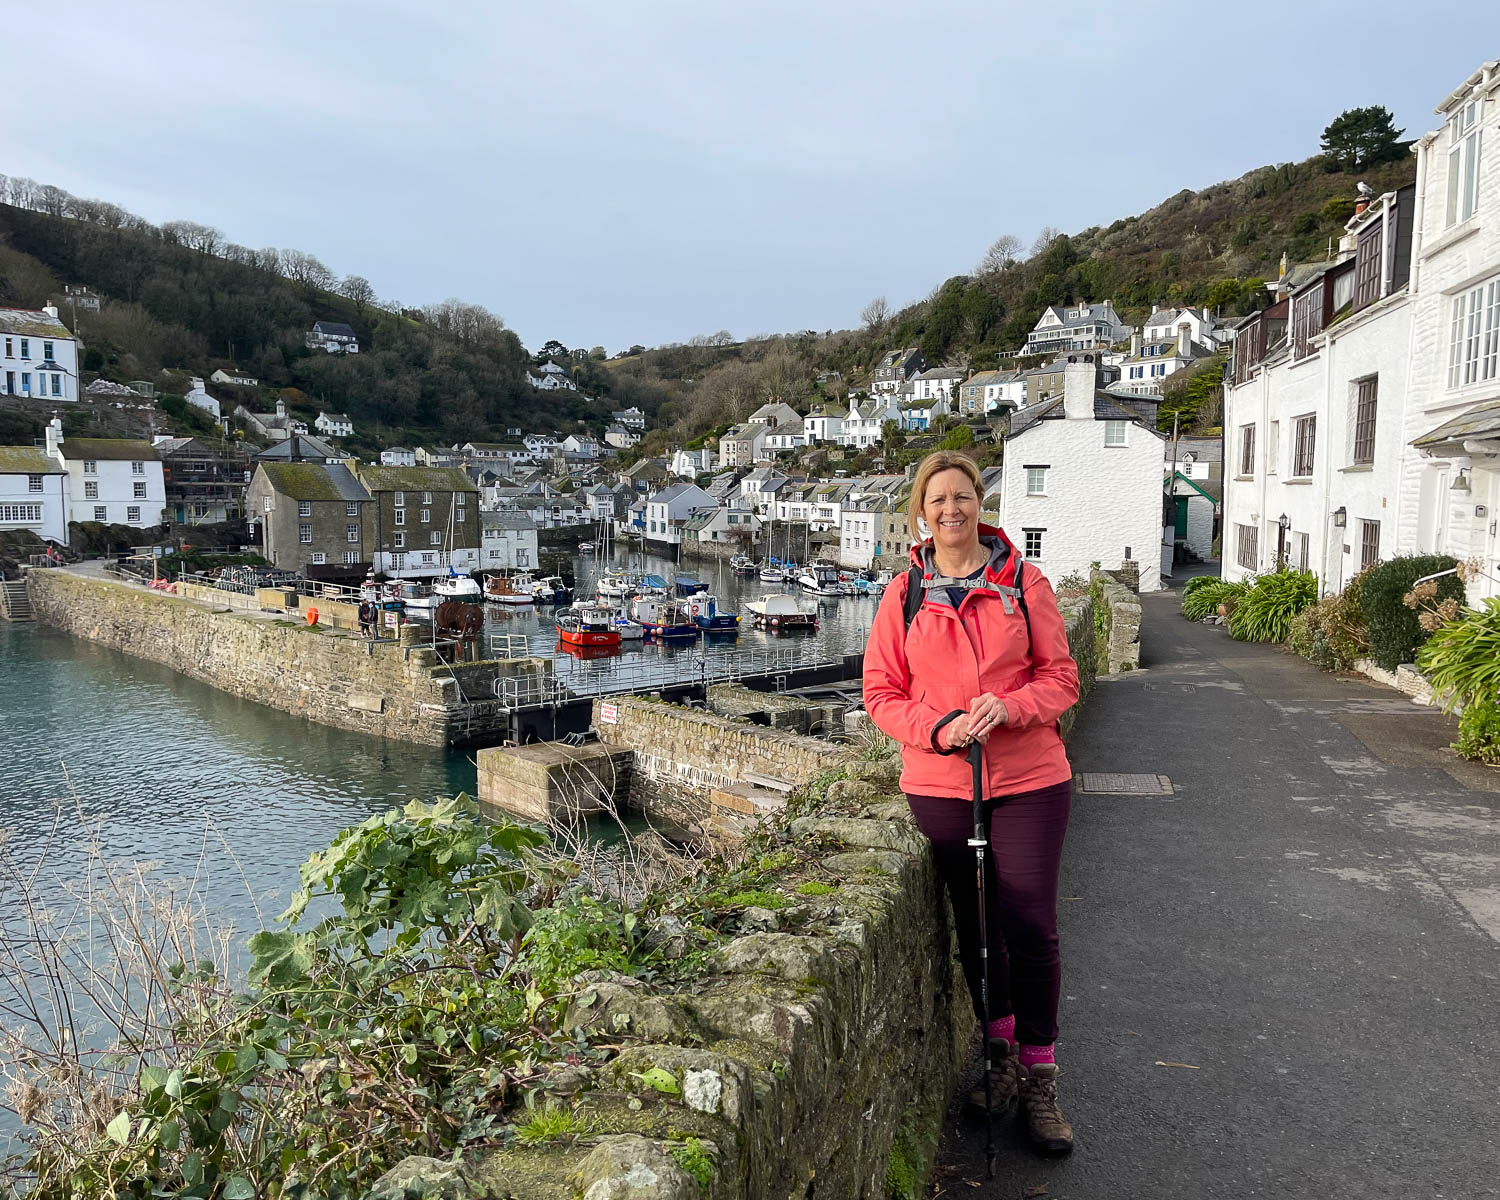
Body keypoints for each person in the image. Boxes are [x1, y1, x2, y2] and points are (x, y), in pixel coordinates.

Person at [863, 450, 1080, 1155]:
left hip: (1028, 779)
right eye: (937, 500)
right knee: (976, 929)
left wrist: (1010, 706)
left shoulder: (1024, 581)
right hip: (942, 782)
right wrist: (938, 727)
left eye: (962, 497)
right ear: (920, 514)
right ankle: (999, 1058)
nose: (951, 510)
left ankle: (1041, 1078)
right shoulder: (902, 595)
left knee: (1031, 927)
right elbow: (881, 694)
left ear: (979, 503)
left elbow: (1062, 678)